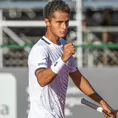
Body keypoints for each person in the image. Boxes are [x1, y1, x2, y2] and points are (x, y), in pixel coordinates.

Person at [28, 1, 117, 118]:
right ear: (47, 22)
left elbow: (78, 78)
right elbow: (42, 80)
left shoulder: (64, 45)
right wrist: (63, 59)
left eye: (66, 22)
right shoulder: (39, 49)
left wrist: (102, 103)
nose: (64, 27)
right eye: (59, 22)